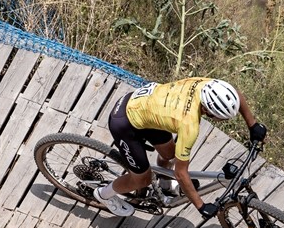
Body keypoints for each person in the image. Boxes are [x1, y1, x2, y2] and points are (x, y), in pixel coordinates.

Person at [94, 77, 267, 218]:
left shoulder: (206, 85)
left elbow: (234, 93)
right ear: (207, 112)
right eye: (222, 118)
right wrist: (201, 206)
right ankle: (103, 194)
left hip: (148, 107)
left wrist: (253, 125)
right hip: (124, 122)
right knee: (142, 180)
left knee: (169, 154)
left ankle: (164, 183)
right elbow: (181, 173)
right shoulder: (189, 124)